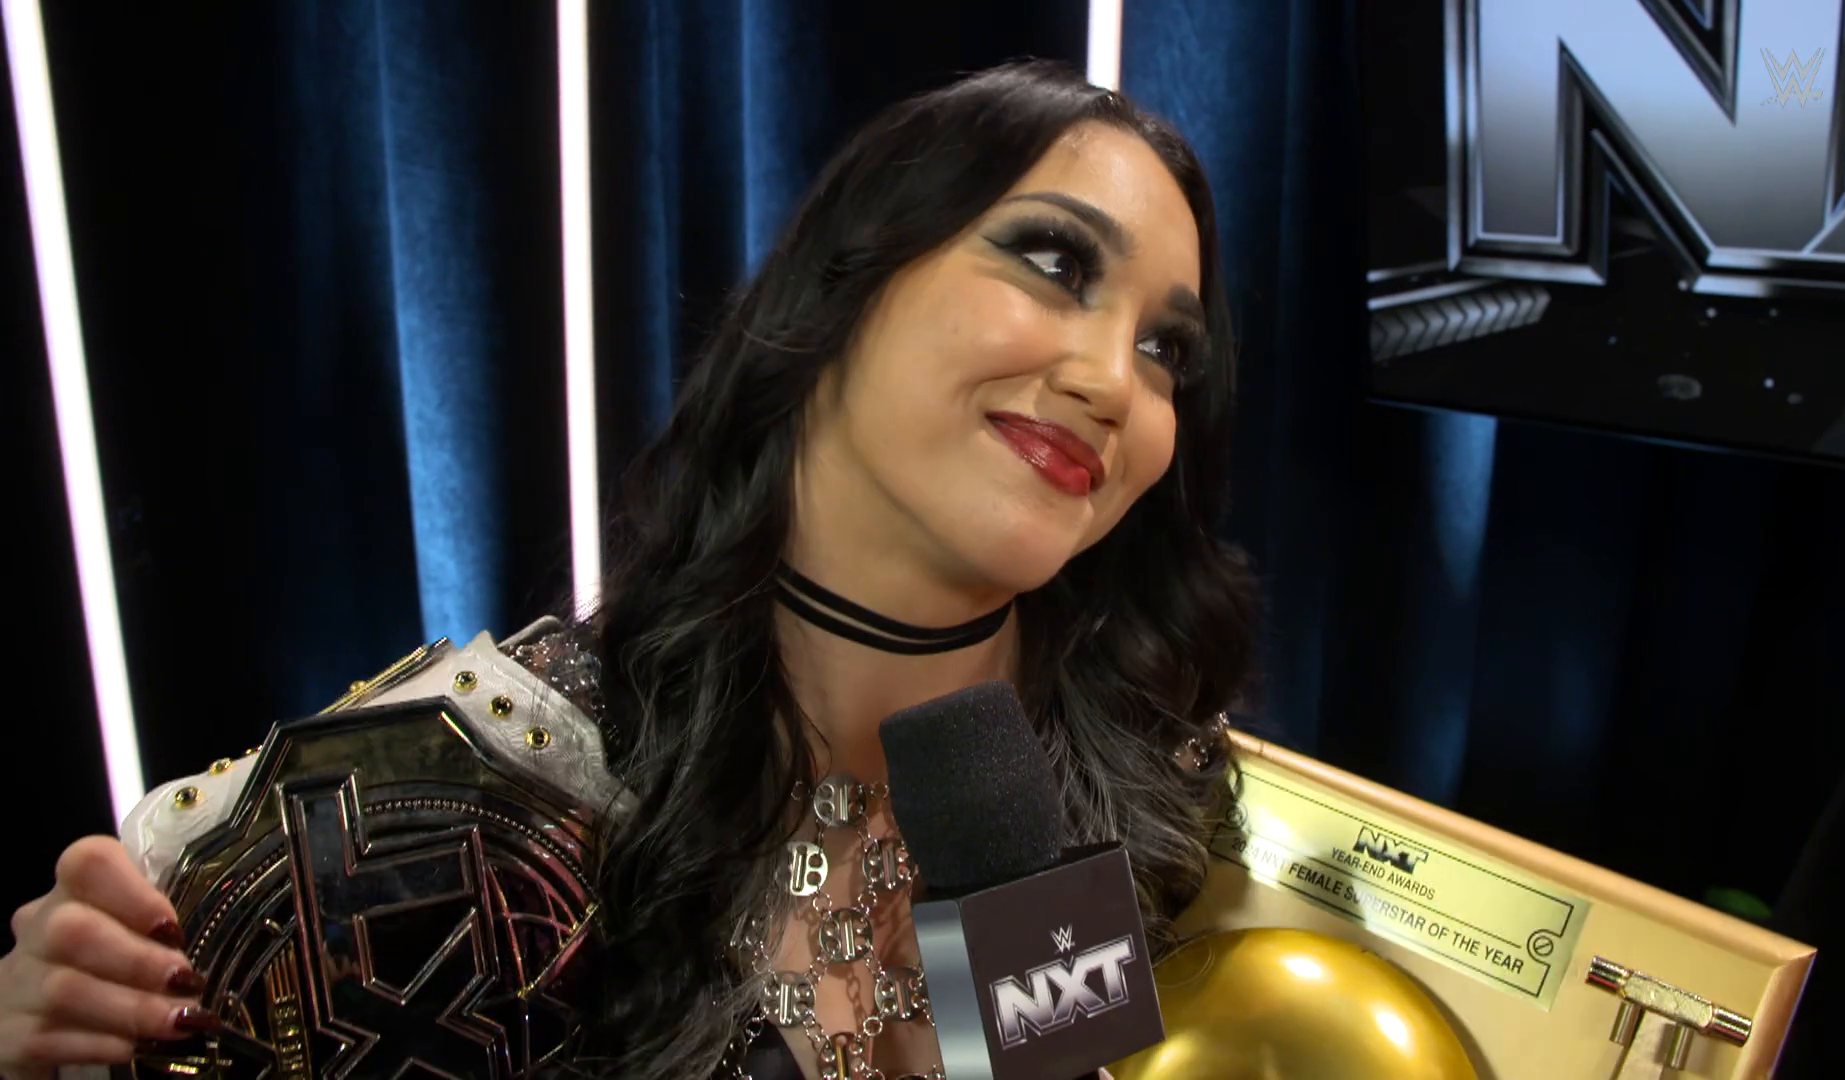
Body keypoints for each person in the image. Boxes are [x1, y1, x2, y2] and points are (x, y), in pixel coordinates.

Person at [0, 61, 1257, 1080]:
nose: (1113, 382)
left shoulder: (1154, 808)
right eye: (1054, 262)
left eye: (1168, 350)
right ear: (844, 281)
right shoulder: (433, 839)